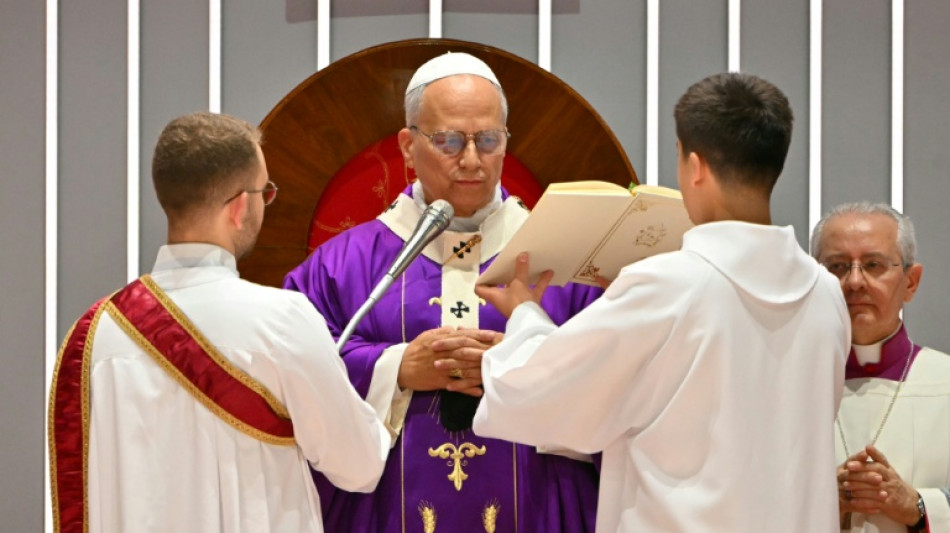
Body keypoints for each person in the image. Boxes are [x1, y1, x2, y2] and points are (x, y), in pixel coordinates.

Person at [468, 72, 850, 532]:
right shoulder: (825, 291)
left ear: (695, 166)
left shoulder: (668, 286)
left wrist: (525, 315)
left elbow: (537, 394)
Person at [284, 52, 603, 532]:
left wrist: (522, 362)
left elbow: (610, 375)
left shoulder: (565, 259)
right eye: (449, 141)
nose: (471, 160)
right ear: (408, 146)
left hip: (535, 506)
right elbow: (296, 369)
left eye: (488, 140)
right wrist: (396, 368)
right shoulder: (343, 265)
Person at [47, 111, 391, 533]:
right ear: (240, 206)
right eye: (265, 192)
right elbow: (359, 465)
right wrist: (392, 377)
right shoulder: (281, 321)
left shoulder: (97, 334)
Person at [811, 202, 950, 532]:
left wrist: (919, 506)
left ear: (911, 282)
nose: (854, 281)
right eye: (837, 266)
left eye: (873, 265)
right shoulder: (784, 387)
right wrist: (821, 501)